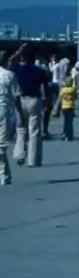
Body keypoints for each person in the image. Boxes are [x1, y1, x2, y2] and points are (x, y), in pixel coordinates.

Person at [0, 49, 22, 185]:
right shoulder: (9, 75)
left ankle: (4, 174)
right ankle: (4, 174)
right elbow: (17, 96)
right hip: (5, 112)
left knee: (1, 146)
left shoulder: (9, 75)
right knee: (1, 146)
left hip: (4, 111)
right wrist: (21, 113)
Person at [54, 76, 78, 141]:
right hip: (71, 106)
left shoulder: (63, 90)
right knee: (70, 121)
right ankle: (70, 134)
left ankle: (64, 133)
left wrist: (57, 109)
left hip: (64, 107)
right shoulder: (73, 90)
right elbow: (76, 97)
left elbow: (60, 98)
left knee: (65, 120)